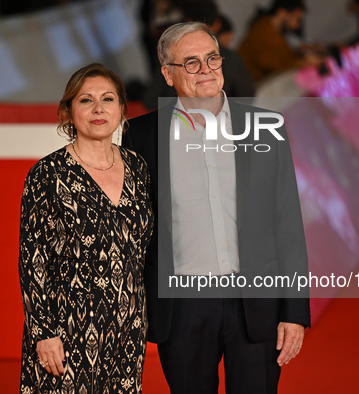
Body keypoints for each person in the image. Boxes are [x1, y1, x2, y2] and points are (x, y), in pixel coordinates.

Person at [124, 22, 310, 393]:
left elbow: (288, 223)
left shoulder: (265, 127)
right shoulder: (138, 137)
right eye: (191, 63)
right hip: (182, 308)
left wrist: (294, 311)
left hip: (255, 304)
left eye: (211, 58)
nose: (206, 69)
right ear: (167, 74)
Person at [18, 63, 154, 393]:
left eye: (108, 99)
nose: (98, 109)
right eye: (85, 100)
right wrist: (44, 333)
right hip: (66, 331)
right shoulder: (47, 174)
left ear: (121, 109)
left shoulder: (138, 167)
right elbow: (32, 260)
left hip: (128, 328)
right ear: (68, 111)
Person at [238, 0, 322, 83]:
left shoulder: (277, 33)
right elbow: (269, 63)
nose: (297, 25)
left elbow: (286, 56)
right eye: (297, 19)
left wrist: (303, 56)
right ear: (281, 13)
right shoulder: (262, 29)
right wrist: (302, 63)